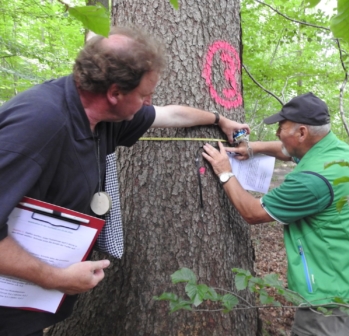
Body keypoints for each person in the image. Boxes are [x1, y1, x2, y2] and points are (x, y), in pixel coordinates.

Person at [0, 26, 249, 335]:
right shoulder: (39, 125)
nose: (149, 101)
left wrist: (218, 119)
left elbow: (170, 115)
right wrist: (56, 278)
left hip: (26, 308)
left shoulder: (100, 118)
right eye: (144, 95)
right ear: (115, 93)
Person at [202, 92, 349, 336]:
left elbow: (253, 213)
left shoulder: (311, 181)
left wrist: (224, 171)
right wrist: (251, 149)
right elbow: (286, 150)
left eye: (281, 127)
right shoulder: (335, 151)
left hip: (329, 294)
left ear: (302, 132)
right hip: (348, 273)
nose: (277, 133)